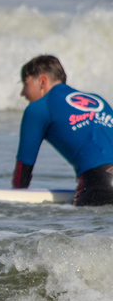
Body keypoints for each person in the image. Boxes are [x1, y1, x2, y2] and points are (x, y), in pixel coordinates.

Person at [13, 55, 113, 206]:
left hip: (99, 184)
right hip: (102, 180)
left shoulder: (38, 108)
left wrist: (14, 205)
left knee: (71, 228)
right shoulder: (98, 100)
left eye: (25, 84)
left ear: (42, 81)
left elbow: (22, 173)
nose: (23, 93)